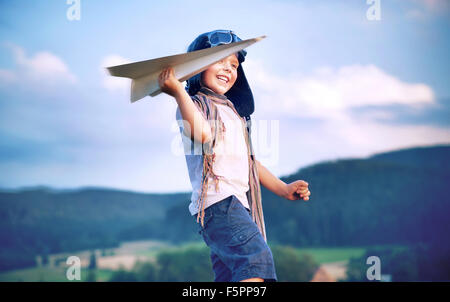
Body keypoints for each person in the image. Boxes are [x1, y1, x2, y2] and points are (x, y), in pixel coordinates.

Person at [158, 29, 311, 282]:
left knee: (231, 276)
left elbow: (250, 163)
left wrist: (283, 189)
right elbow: (203, 134)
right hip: (220, 205)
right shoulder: (192, 106)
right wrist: (178, 92)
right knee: (255, 260)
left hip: (236, 205)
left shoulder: (233, 113)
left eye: (234, 65)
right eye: (219, 60)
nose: (229, 69)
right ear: (197, 67)